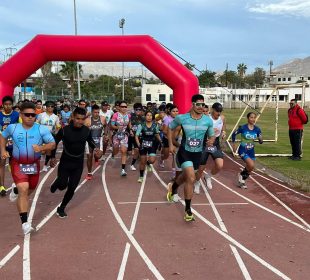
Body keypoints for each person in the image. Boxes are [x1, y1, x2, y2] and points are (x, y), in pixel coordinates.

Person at [0, 102, 55, 234]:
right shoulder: (12, 128)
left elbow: (52, 144)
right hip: (18, 164)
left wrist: (41, 148)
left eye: (33, 115)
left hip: (34, 164)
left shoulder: (41, 129)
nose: (30, 117)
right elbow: (2, 137)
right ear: (21, 115)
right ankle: (25, 223)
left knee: (29, 189)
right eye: (27, 115)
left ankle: (16, 191)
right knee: (24, 189)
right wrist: (2, 150)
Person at [167, 94, 215, 222]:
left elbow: (212, 135)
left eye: (202, 104)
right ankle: (188, 210)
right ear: (192, 104)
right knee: (191, 177)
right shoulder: (182, 118)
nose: (200, 107)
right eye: (198, 104)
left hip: (197, 154)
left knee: (186, 176)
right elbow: (169, 128)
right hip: (184, 152)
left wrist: (211, 140)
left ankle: (174, 187)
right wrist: (171, 144)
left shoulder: (207, 120)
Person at [49, 107, 102, 218]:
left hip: (78, 164)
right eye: (78, 118)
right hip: (65, 162)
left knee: (72, 187)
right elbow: (54, 143)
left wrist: (96, 148)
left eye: (82, 119)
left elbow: (90, 141)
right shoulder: (65, 130)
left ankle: (61, 208)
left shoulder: (86, 130)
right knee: (62, 186)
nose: (80, 121)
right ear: (73, 117)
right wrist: (52, 157)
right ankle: (58, 182)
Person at [194, 102, 226, 194]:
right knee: (200, 168)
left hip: (215, 144)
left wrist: (223, 132)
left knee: (219, 165)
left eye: (220, 111)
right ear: (212, 110)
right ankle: (197, 183)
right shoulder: (206, 118)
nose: (218, 113)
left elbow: (223, 126)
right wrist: (209, 132)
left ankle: (208, 176)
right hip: (205, 143)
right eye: (217, 111)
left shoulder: (222, 118)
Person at [232, 112, 263, 189]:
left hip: (251, 150)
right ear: (248, 118)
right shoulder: (243, 128)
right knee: (251, 165)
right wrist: (234, 144)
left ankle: (241, 179)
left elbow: (261, 141)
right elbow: (234, 134)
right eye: (251, 117)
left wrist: (260, 139)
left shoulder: (257, 129)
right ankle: (241, 178)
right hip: (243, 150)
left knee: (251, 168)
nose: (253, 119)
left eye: (254, 117)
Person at [0, 96, 19, 196]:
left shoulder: (16, 115)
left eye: (10, 104)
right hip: (2, 144)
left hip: (13, 145)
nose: (8, 106)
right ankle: (1, 187)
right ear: (3, 105)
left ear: (12, 105)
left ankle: (16, 183)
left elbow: (22, 127)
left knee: (13, 165)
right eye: (6, 104)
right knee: (2, 164)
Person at [135, 111, 161, 182]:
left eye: (150, 115)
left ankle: (148, 163)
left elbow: (157, 134)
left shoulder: (155, 125)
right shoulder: (141, 125)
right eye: (147, 115)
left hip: (152, 144)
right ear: (145, 116)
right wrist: (139, 144)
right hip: (143, 144)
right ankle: (141, 176)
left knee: (152, 160)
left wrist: (160, 141)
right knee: (142, 161)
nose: (149, 117)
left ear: (152, 117)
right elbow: (136, 136)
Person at [36, 101, 61, 172]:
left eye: (52, 106)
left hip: (49, 136)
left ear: (54, 108)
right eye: (48, 106)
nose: (50, 107)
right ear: (46, 107)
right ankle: (36, 163)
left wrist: (56, 131)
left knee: (48, 151)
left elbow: (57, 126)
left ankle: (45, 165)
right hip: (40, 135)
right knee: (41, 151)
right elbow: (36, 124)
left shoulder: (55, 117)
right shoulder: (41, 115)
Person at [110, 101, 133, 176]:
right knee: (116, 150)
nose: (124, 108)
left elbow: (129, 123)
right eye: (122, 107)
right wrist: (117, 127)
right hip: (116, 135)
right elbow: (111, 125)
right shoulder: (115, 115)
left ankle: (123, 169)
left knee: (124, 151)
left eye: (125, 107)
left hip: (124, 135)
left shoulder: (128, 115)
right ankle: (113, 153)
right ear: (119, 107)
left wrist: (131, 130)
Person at [85, 104, 106, 179]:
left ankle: (96, 158)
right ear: (92, 112)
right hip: (89, 140)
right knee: (89, 156)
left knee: (98, 155)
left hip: (99, 139)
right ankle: (89, 173)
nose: (96, 114)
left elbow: (106, 126)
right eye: (95, 112)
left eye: (98, 112)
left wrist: (105, 135)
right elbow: (84, 132)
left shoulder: (103, 119)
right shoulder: (87, 120)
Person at [159, 105, 179, 178]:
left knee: (175, 156)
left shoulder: (179, 119)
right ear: (170, 112)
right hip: (167, 139)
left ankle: (173, 173)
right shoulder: (167, 119)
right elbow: (164, 131)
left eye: (177, 111)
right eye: (173, 111)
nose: (175, 113)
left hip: (176, 140)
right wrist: (171, 133)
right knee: (166, 155)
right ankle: (162, 159)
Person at [128, 103, 145, 171]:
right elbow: (129, 124)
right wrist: (130, 130)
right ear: (134, 110)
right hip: (130, 136)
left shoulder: (143, 118)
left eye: (139, 109)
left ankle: (132, 164)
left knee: (137, 150)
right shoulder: (130, 116)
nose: (138, 111)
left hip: (138, 137)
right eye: (136, 109)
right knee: (129, 152)